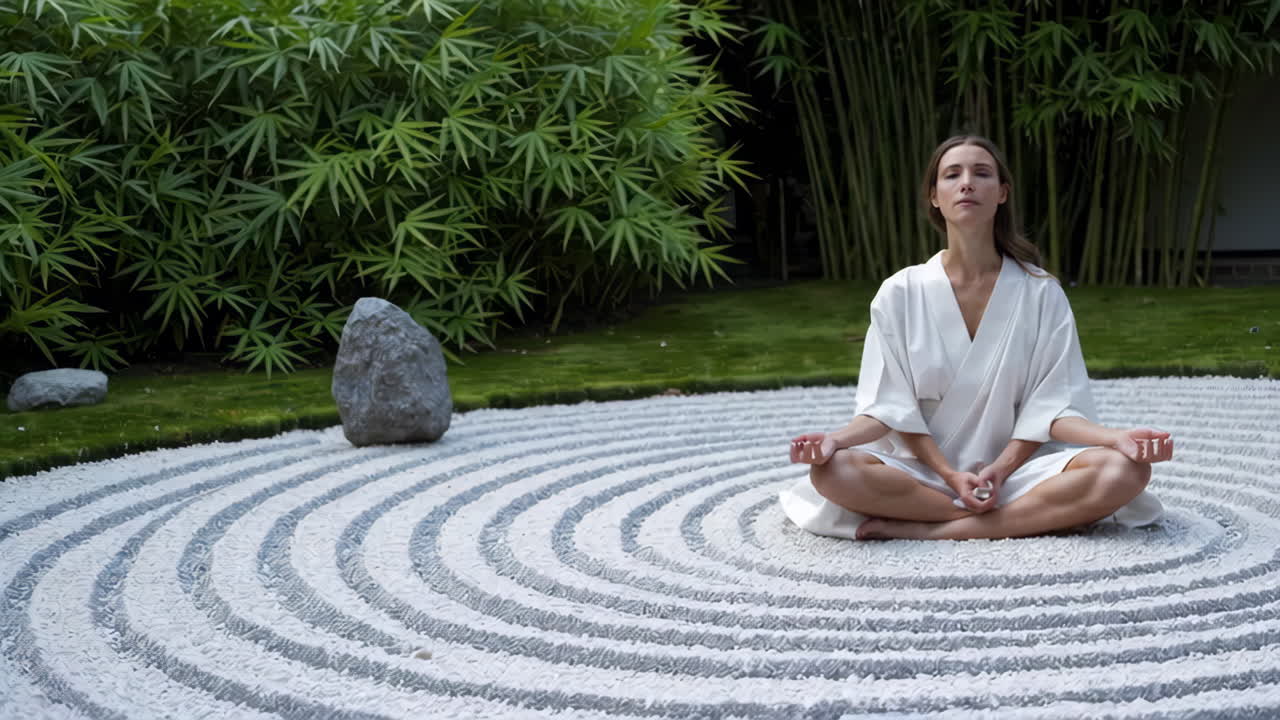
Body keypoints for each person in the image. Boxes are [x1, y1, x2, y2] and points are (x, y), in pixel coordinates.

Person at [777, 135, 1171, 541]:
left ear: (1002, 193)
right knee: (833, 471)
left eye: (982, 173)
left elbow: (1055, 406)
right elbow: (887, 407)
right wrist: (834, 440)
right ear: (935, 196)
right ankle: (1021, 519)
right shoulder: (900, 292)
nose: (967, 183)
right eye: (952, 174)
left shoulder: (1040, 292)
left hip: (1020, 475)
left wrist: (1115, 439)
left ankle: (933, 530)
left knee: (1126, 470)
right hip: (920, 477)